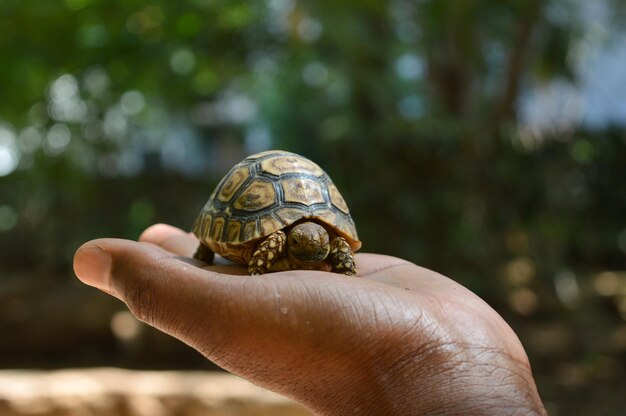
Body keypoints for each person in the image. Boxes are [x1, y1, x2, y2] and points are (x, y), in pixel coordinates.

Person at [73, 223, 547, 415]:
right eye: (309, 242)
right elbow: (273, 246)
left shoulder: (322, 241)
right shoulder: (279, 239)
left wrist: (439, 370)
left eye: (323, 243)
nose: (317, 246)